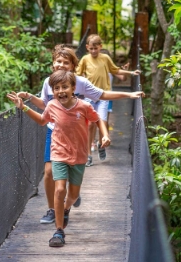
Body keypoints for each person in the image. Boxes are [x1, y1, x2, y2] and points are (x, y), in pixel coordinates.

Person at [15, 45, 143, 225]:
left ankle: (70, 197)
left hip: (76, 134)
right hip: (55, 130)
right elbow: (45, 105)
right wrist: (28, 97)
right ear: (53, 64)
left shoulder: (80, 82)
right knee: (49, 171)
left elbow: (102, 94)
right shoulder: (49, 82)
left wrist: (128, 95)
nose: (61, 65)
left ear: (73, 66)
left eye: (65, 62)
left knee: (71, 175)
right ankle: (53, 209)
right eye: (58, 61)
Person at [8, 70, 109, 247]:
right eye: (56, 88)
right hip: (59, 153)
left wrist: (105, 135)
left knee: (73, 195)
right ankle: (59, 231)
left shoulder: (84, 106)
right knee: (60, 189)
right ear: (52, 91)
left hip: (79, 156)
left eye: (64, 87)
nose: (60, 91)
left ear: (73, 88)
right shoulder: (52, 106)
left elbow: (98, 119)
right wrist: (23, 107)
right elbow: (42, 120)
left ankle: (66, 208)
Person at [76, 34, 139, 166]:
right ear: (87, 47)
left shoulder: (105, 58)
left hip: (104, 95)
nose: (93, 51)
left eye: (96, 48)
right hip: (89, 95)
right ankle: (88, 155)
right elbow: (77, 74)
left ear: (100, 47)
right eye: (91, 48)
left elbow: (115, 70)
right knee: (90, 125)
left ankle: (101, 144)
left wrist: (131, 73)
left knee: (102, 123)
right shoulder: (85, 59)